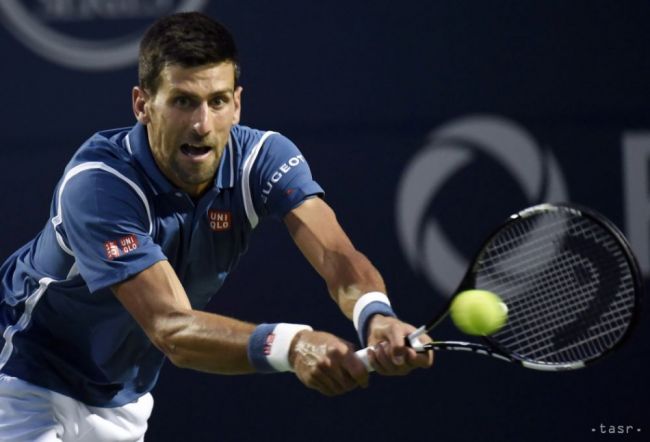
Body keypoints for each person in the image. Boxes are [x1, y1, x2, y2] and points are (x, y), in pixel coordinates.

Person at [0, 11, 432, 442]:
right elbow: (173, 329)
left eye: (218, 101)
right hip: (19, 376)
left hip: (122, 400)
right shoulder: (99, 185)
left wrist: (375, 314)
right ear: (142, 105)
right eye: (183, 101)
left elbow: (338, 256)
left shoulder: (264, 159)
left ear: (237, 105)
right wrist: (293, 345)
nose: (202, 125)